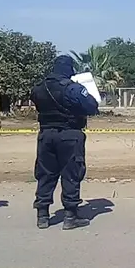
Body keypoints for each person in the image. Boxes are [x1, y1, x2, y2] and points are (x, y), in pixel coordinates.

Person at [29, 55, 100, 230]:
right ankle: (70, 215)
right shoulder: (73, 88)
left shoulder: (39, 87)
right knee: (71, 173)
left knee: (45, 173)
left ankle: (43, 215)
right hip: (70, 134)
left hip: (46, 135)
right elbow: (92, 106)